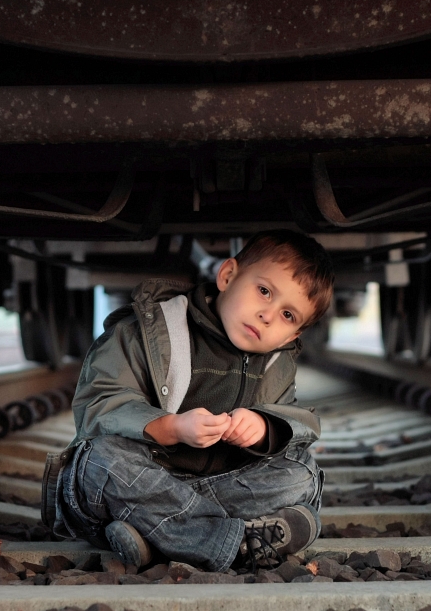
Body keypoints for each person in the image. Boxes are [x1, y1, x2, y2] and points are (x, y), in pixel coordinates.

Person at [42, 229, 334, 572]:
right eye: (264, 291)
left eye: (288, 316)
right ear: (227, 276)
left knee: (302, 472)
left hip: (207, 489)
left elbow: (291, 425)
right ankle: (233, 544)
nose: (267, 315)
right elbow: (98, 404)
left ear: (294, 334)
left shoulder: (277, 363)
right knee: (100, 462)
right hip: (140, 478)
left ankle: (159, 537)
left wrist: (263, 427)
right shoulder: (150, 330)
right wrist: (172, 427)